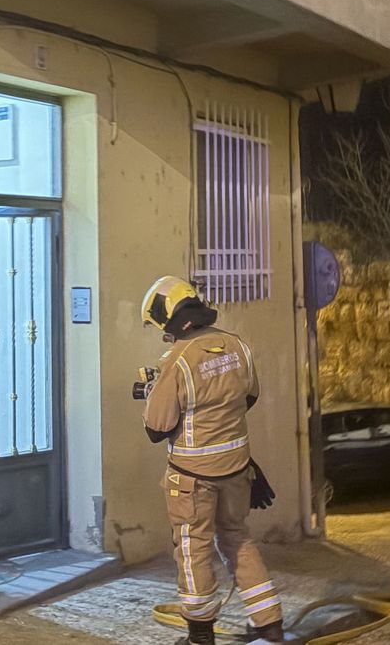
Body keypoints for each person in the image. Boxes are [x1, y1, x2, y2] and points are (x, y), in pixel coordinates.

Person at [140, 276, 285, 645]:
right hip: (237, 468)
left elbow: (157, 428)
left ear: (168, 319)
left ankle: (200, 635)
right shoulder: (237, 346)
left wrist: (150, 393)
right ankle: (269, 625)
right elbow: (247, 399)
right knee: (237, 539)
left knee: (193, 548)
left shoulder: (177, 361)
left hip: (192, 478)